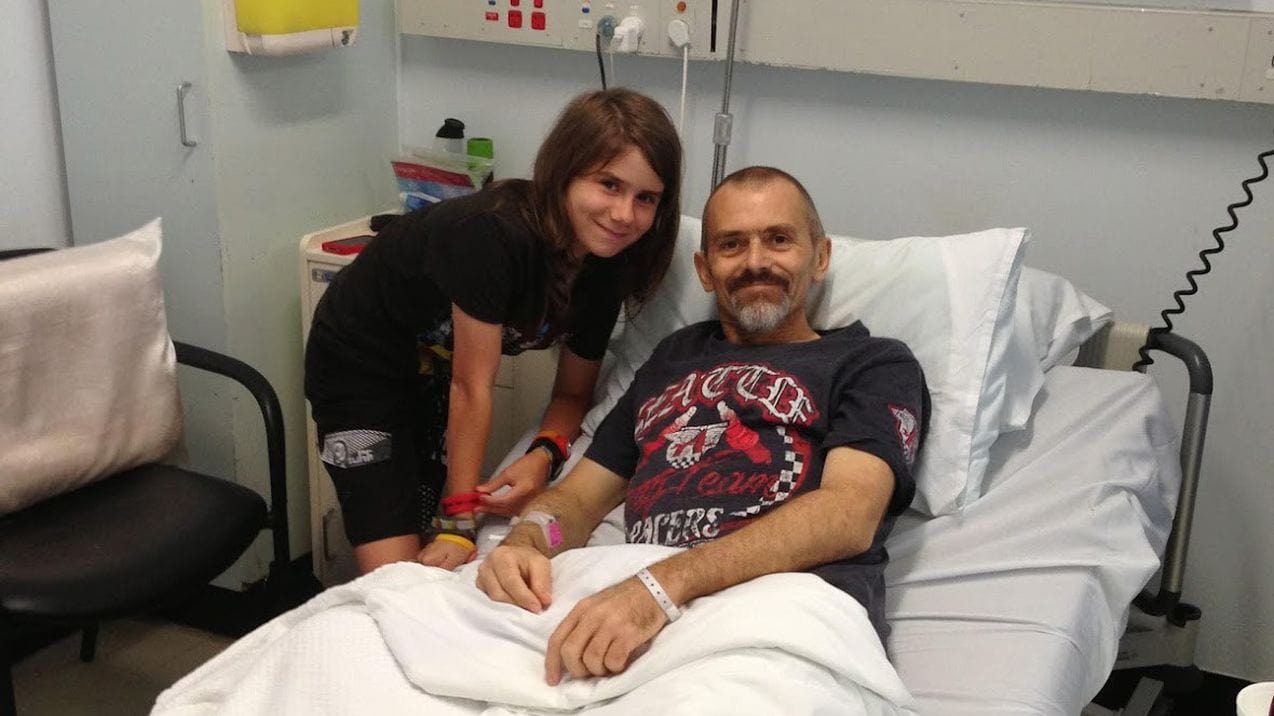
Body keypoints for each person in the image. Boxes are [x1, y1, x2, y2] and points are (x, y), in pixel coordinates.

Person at [476, 166, 930, 686]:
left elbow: (850, 514)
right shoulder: (673, 358)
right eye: (732, 245)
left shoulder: (871, 363)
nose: (756, 262)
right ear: (706, 269)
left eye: (779, 240)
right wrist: (529, 539)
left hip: (779, 610)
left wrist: (660, 589)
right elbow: (578, 501)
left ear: (820, 256)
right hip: (621, 605)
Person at [305, 89, 683, 575]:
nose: (625, 214)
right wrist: (460, 524)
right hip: (356, 364)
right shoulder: (493, 233)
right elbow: (472, 386)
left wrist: (546, 453)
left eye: (645, 198)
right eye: (609, 185)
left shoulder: (608, 265)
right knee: (393, 575)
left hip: (430, 371)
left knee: (427, 546)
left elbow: (571, 393)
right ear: (564, 172)